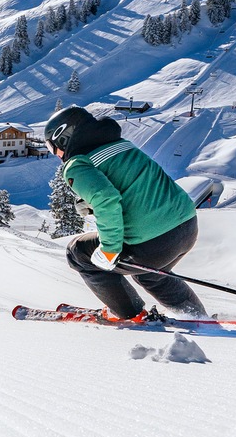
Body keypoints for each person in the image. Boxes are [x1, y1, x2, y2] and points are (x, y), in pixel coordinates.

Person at [44, 105, 209, 321]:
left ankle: (128, 312)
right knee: (151, 274)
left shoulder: (77, 163)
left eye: (52, 148)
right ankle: (196, 315)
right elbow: (136, 187)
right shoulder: (121, 146)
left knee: (77, 253)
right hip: (186, 226)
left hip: (150, 242)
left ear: (63, 138)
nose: (55, 155)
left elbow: (106, 198)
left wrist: (110, 250)